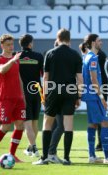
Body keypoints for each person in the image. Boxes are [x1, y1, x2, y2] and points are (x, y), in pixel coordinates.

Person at [33, 28, 83, 165]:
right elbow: (80, 78)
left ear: (58, 38)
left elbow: (46, 77)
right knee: (68, 125)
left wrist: (45, 95)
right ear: (69, 39)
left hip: (54, 92)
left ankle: (44, 158)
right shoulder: (76, 55)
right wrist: (78, 96)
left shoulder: (50, 53)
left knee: (47, 123)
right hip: (70, 92)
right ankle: (67, 158)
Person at [0, 34, 25, 163]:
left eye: (12, 44)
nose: (10, 47)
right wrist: (12, 60)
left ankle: (12, 154)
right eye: (8, 45)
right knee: (5, 127)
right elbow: (2, 71)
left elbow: (18, 77)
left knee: (20, 126)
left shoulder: (16, 60)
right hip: (5, 99)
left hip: (18, 99)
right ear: (2, 45)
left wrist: (23, 95)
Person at [81, 34, 108, 164]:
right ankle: (107, 156)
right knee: (105, 122)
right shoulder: (93, 58)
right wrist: (102, 97)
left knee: (93, 124)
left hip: (90, 96)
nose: (101, 43)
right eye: (99, 41)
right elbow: (93, 79)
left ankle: (92, 156)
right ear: (92, 42)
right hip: (95, 96)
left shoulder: (86, 57)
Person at [18, 34, 43, 157]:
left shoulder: (15, 57)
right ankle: (30, 148)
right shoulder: (38, 56)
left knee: (27, 123)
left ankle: (34, 149)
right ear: (30, 44)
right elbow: (44, 74)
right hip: (36, 92)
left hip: (23, 93)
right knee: (35, 123)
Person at [95, 48, 108, 151]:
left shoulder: (99, 55)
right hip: (102, 87)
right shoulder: (101, 55)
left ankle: (102, 143)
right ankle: (103, 142)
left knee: (101, 116)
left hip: (101, 88)